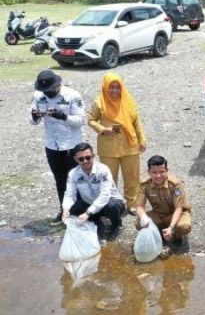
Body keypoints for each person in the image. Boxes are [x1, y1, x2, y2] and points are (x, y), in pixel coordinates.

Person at [29, 69, 86, 224]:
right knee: (60, 180)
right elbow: (33, 121)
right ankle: (64, 211)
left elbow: (80, 120)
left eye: (49, 90)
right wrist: (34, 116)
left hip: (72, 145)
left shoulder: (72, 96)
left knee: (76, 180)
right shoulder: (38, 96)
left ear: (57, 85)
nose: (47, 93)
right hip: (52, 145)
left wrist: (63, 116)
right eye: (44, 90)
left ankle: (81, 212)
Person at [87, 73, 147, 214]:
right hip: (109, 148)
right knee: (109, 179)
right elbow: (90, 120)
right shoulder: (99, 102)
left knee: (132, 177)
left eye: (117, 87)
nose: (114, 91)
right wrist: (103, 129)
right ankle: (112, 205)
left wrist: (142, 139)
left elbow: (136, 122)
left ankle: (132, 204)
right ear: (105, 87)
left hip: (130, 145)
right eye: (111, 87)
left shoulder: (128, 100)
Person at [61, 142, 126, 237]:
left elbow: (105, 195)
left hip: (109, 201)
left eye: (88, 157)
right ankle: (97, 222)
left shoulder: (103, 170)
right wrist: (66, 209)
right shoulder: (73, 173)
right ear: (75, 159)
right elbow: (70, 194)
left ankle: (117, 225)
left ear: (93, 156)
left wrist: (87, 213)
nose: (85, 161)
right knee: (73, 209)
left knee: (112, 206)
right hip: (89, 202)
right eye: (81, 159)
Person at [134, 155, 192, 249]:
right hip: (159, 213)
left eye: (161, 172)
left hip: (176, 213)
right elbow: (139, 206)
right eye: (154, 172)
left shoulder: (175, 184)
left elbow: (178, 208)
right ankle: (159, 234)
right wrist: (144, 218)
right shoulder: (144, 184)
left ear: (167, 170)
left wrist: (171, 227)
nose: (158, 176)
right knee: (138, 223)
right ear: (149, 172)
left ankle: (177, 237)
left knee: (184, 226)